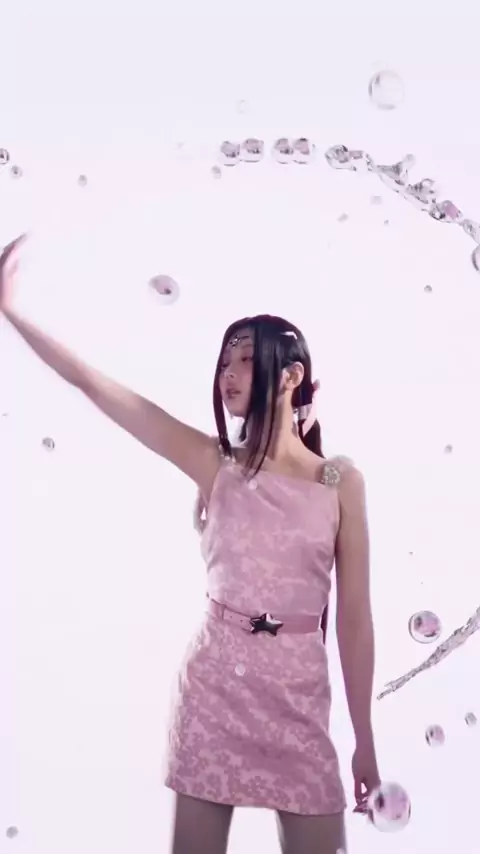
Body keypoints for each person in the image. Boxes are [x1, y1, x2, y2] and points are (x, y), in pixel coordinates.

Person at [0, 235, 381, 854]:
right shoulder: (215, 464)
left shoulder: (340, 481)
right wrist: (12, 312)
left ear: (291, 376)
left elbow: (355, 620)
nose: (229, 374)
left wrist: (364, 737)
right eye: (225, 362)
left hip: (299, 702)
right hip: (215, 691)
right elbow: (100, 388)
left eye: (246, 360)